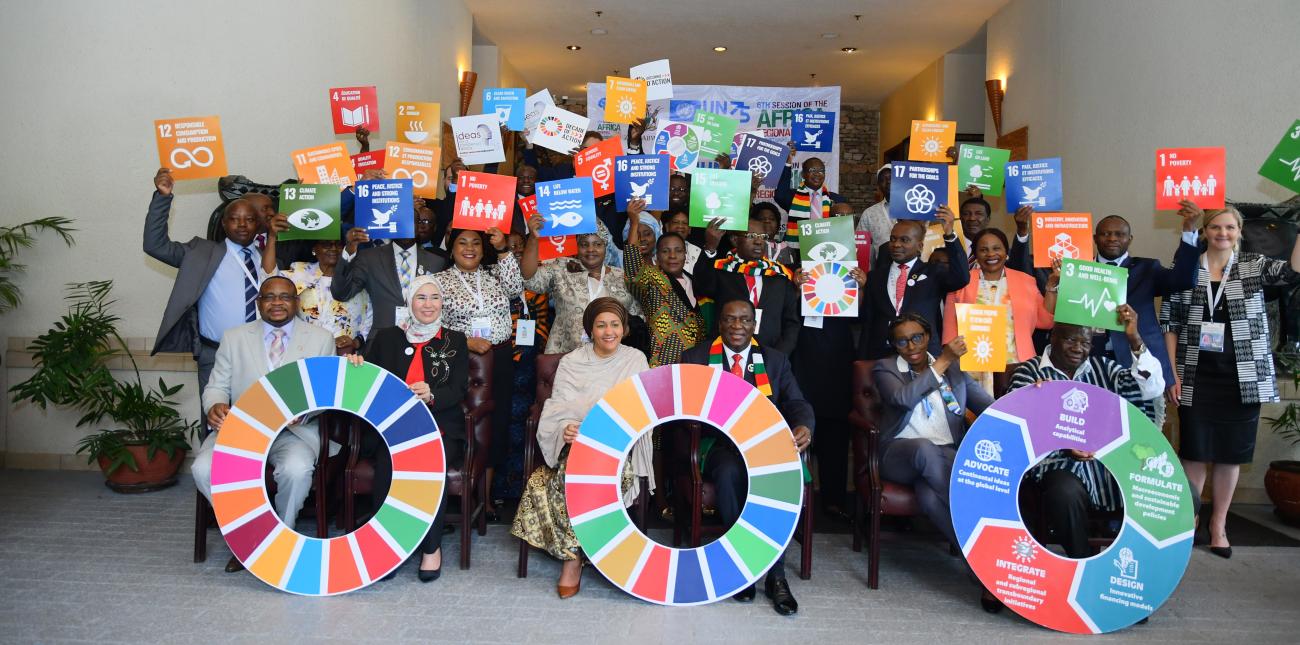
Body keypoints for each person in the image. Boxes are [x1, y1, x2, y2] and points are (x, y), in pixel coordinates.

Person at [1162, 205, 1300, 558]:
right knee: (1194, 453)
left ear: (1239, 232)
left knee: (1229, 456)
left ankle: (1218, 525)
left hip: (1243, 377)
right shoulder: (1187, 267)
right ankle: (1189, 521)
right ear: (1206, 231)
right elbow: (1170, 323)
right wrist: (1171, 373)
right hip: (1195, 374)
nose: (1223, 233)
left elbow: (1294, 271)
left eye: (1230, 227)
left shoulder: (1253, 266)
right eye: (1216, 227)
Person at [511, 297, 654, 599]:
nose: (608, 331)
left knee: (593, 468)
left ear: (625, 328)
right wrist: (566, 428)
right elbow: (557, 407)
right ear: (590, 329)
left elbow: (640, 411)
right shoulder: (573, 361)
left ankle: (584, 551)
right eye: (601, 325)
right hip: (574, 446)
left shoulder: (635, 360)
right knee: (575, 465)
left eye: (615, 324)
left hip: (618, 447)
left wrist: (605, 430)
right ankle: (573, 558)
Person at [192, 276, 335, 572]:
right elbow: (216, 386)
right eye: (269, 297)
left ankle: (280, 534)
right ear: (259, 304)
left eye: (285, 297)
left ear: (296, 303)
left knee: (296, 470)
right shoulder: (234, 337)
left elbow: (327, 394)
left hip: (294, 432)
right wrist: (215, 405)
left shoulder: (321, 338)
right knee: (203, 469)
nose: (277, 303)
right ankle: (250, 535)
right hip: (242, 429)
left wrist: (307, 412)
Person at [681, 299, 813, 616]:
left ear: (754, 325)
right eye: (730, 319)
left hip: (765, 445)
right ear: (720, 324)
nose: (737, 326)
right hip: (719, 444)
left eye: (744, 320)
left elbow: (796, 402)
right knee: (728, 473)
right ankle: (743, 562)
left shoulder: (775, 360)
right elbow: (683, 410)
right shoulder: (696, 358)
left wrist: (803, 425)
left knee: (776, 476)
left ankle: (776, 575)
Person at [346, 276, 467, 581]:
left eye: (434, 298)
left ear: (443, 303)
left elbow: (458, 389)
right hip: (394, 428)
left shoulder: (456, 340)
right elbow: (368, 382)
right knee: (389, 462)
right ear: (409, 303)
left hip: (439, 426)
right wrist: (356, 365)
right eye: (421, 298)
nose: (428, 305)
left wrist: (433, 395)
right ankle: (390, 547)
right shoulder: (387, 338)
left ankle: (430, 548)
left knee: (430, 462)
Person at [873, 313, 993, 550]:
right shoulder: (885, 369)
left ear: (928, 336)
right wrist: (943, 361)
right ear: (894, 345)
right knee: (923, 448)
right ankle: (972, 517)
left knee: (929, 498)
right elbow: (902, 398)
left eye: (917, 337)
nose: (911, 346)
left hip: (945, 454)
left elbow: (989, 407)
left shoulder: (954, 370)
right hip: (898, 455)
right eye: (902, 341)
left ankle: (977, 559)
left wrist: (1031, 395)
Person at [144, 168, 267, 396]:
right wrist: (163, 197)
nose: (242, 225)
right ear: (223, 224)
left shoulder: (270, 258)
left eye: (249, 220)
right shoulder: (201, 253)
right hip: (216, 355)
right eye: (234, 219)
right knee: (216, 425)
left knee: (263, 424)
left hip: (265, 356)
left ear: (258, 225)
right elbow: (155, 246)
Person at [431, 227, 524, 521]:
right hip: (459, 359)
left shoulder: (495, 275)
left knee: (495, 424)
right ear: (451, 247)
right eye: (462, 242)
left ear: (483, 249)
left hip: (499, 357)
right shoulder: (439, 282)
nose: (469, 248)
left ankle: (485, 496)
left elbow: (515, 286)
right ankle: (458, 492)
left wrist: (502, 249)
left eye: (475, 243)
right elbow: (428, 324)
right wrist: (464, 341)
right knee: (461, 421)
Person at [1082, 206, 1200, 425]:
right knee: (1093, 430)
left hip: (1137, 363)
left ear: (1130, 239)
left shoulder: (1147, 268)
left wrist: (1189, 229)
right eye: (1106, 233)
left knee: (1140, 434)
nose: (1112, 238)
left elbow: (1183, 279)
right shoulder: (1081, 269)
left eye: (1119, 234)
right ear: (1095, 238)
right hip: (1092, 365)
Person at [942, 228, 1058, 392]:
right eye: (983, 250)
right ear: (975, 254)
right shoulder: (962, 281)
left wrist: (1051, 288)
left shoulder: (1026, 281)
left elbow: (1046, 321)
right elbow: (949, 333)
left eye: (996, 248)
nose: (990, 254)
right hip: (971, 368)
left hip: (1017, 366)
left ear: (1006, 252)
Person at [520, 216, 640, 353]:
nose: (591, 249)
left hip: (612, 360)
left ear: (606, 246)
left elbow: (637, 319)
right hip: (566, 357)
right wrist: (534, 239)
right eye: (584, 244)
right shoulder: (562, 269)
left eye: (597, 244)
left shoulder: (621, 277)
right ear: (577, 246)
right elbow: (529, 278)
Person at [858, 210, 969, 359]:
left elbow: (961, 277)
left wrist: (949, 234)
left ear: (920, 246)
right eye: (893, 239)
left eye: (904, 240)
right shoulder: (875, 277)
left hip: (924, 355)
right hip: (882, 357)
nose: (896, 244)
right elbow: (868, 321)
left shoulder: (933, 272)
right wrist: (862, 358)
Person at [497, 231, 553, 502]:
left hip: (529, 363)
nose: (517, 252)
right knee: (502, 422)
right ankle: (498, 487)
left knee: (526, 423)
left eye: (521, 248)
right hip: (500, 360)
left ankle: (520, 486)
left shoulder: (537, 287)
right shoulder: (495, 282)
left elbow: (542, 324)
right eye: (512, 248)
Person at [261, 219, 372, 355]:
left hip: (346, 356)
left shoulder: (358, 278)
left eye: (338, 245)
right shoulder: (299, 272)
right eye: (326, 244)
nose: (333, 249)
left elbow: (370, 318)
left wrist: (355, 342)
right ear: (314, 249)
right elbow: (268, 277)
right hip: (304, 351)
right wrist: (272, 237)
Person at [693, 217, 801, 355]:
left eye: (763, 236)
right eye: (751, 236)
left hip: (771, 355)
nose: (758, 241)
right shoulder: (721, 270)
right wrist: (710, 247)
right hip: (725, 355)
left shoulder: (780, 275)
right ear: (735, 240)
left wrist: (778, 356)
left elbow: (791, 323)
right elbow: (701, 287)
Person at [331, 212, 448, 331]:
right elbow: (342, 293)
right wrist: (349, 251)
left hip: (424, 340)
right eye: (399, 222)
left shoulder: (436, 262)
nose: (404, 226)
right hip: (382, 340)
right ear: (389, 225)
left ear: (418, 226)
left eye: (409, 221)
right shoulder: (370, 258)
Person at [623, 199, 705, 367]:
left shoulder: (694, 281)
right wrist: (634, 222)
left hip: (693, 364)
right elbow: (633, 271)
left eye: (678, 251)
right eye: (666, 251)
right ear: (658, 256)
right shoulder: (652, 279)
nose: (673, 256)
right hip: (662, 363)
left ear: (685, 255)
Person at [773, 154, 846, 252]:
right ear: (803, 174)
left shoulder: (837, 199)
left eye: (821, 171)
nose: (817, 174)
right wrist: (787, 164)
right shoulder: (793, 197)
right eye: (813, 170)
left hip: (826, 250)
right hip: (796, 251)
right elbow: (779, 195)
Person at [856, 163, 895, 265]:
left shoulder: (915, 208)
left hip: (913, 272)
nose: (888, 181)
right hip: (882, 270)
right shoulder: (869, 214)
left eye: (892, 177)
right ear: (878, 186)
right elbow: (861, 247)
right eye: (883, 180)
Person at [662, 208, 701, 275]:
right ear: (667, 226)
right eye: (675, 222)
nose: (680, 226)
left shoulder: (697, 251)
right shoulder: (658, 248)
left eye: (685, 223)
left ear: (689, 229)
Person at [957, 196, 993, 269]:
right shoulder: (950, 245)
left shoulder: (996, 249)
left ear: (988, 219)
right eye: (966, 214)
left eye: (978, 214)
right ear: (960, 218)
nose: (972, 218)